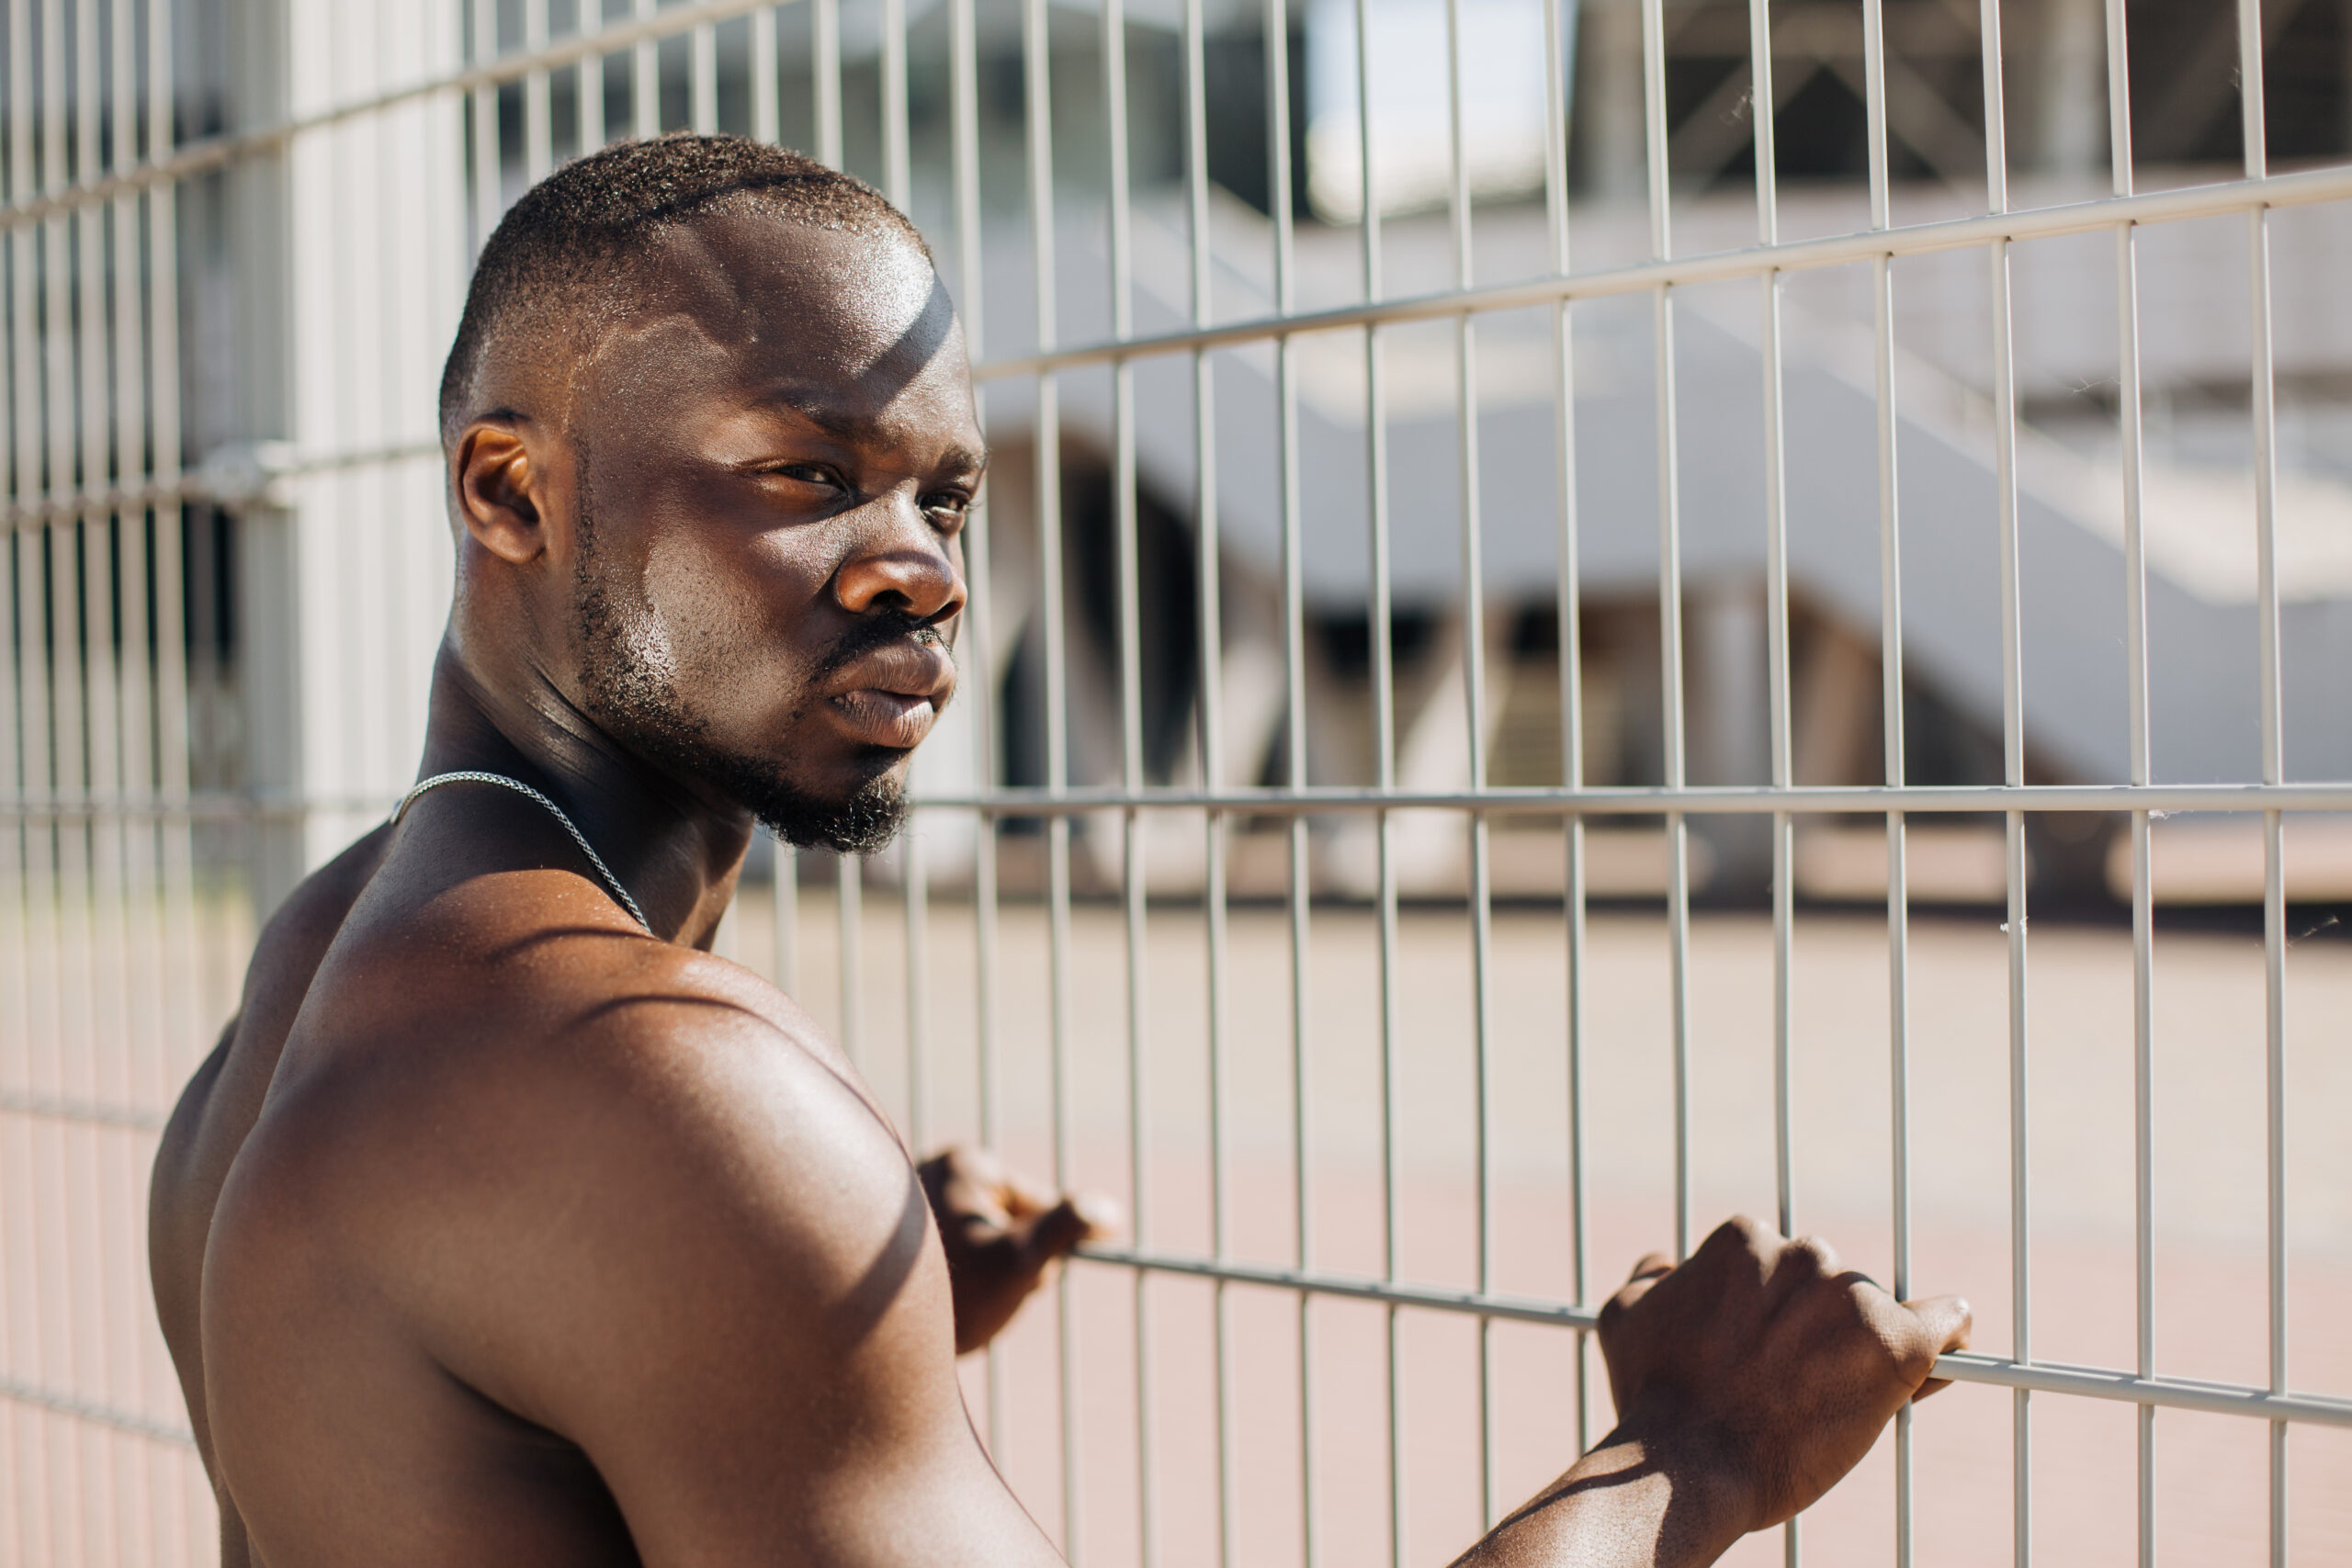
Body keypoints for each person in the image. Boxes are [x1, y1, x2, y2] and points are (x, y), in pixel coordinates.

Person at [149, 135, 1969, 1568]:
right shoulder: (639, 1084)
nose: (920, 566)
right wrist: (1689, 1452)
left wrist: (781, 1318)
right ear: (511, 491)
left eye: (946, 494)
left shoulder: (328, 963)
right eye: (804, 474)